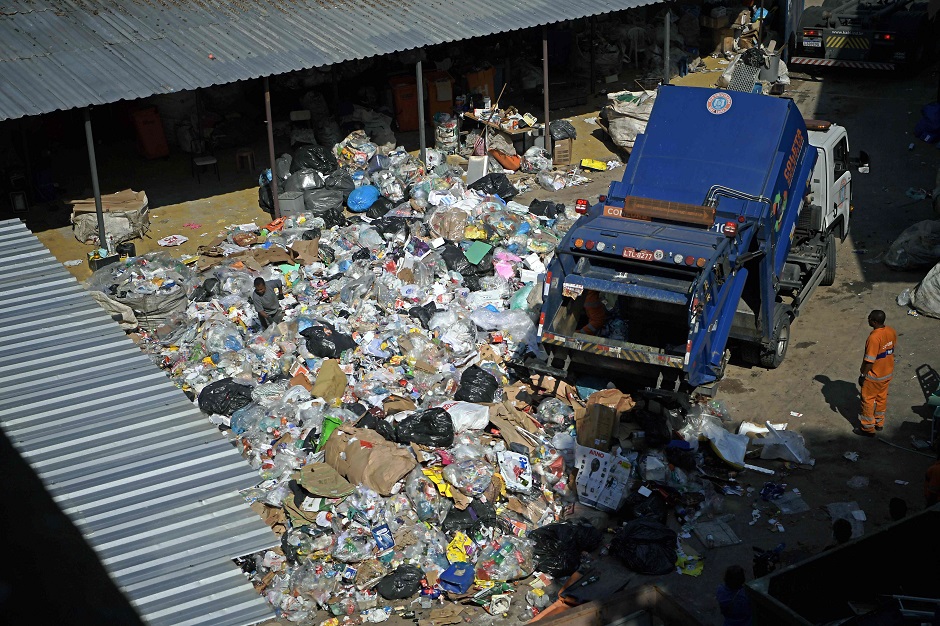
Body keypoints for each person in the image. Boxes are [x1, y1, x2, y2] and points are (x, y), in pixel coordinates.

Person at [856, 310, 897, 437]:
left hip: (874, 376)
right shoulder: (891, 331)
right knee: (881, 398)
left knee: (868, 401)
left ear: (874, 321)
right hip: (887, 373)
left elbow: (870, 360)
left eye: (869, 318)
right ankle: (879, 423)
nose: (867, 319)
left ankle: (868, 429)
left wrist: (863, 375)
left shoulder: (874, 337)